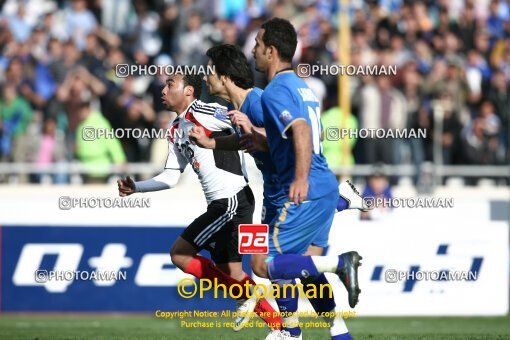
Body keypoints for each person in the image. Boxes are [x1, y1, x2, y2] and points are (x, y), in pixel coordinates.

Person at [190, 44, 365, 339]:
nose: (205, 79)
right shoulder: (241, 108)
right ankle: (335, 334)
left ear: (225, 76)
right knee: (302, 270)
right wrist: (214, 144)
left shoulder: (258, 102)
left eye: (209, 72)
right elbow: (254, 142)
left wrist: (254, 132)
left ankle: (293, 327)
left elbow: (292, 139)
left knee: (264, 262)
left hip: (288, 194)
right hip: (277, 194)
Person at [117, 73, 281, 334]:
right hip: (226, 204)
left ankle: (244, 296)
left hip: (232, 201)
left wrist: (248, 129)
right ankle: (281, 327)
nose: (163, 89)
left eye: (170, 84)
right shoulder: (174, 130)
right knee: (233, 273)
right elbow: (171, 177)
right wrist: (137, 187)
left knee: (179, 254)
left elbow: (239, 127)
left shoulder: (207, 110)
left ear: (189, 91)